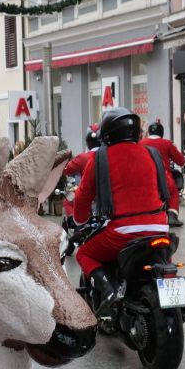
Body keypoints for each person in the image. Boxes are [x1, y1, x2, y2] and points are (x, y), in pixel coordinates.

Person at [71, 108, 171, 308]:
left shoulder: (100, 158)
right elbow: (166, 187)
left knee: (84, 253)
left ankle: (109, 290)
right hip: (160, 227)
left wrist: (79, 221)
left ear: (107, 133)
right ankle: (171, 292)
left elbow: (83, 197)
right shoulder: (151, 153)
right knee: (166, 265)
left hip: (123, 232)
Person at [143, 120, 185, 227]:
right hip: (163, 177)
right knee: (173, 192)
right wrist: (184, 159)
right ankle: (172, 216)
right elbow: (181, 161)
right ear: (161, 133)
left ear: (149, 132)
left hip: (145, 177)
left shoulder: (141, 143)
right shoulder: (167, 144)